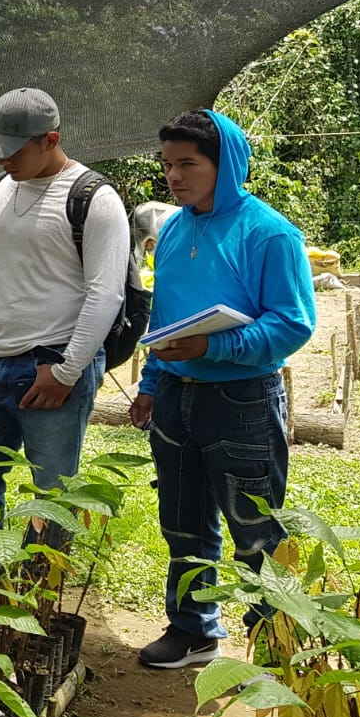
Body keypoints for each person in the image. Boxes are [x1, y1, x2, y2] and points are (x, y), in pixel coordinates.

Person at [129, 111, 315, 670]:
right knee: (182, 520)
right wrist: (151, 384)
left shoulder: (269, 233)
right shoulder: (175, 229)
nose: (174, 177)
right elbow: (166, 318)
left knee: (256, 528)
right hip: (176, 397)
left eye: (188, 164)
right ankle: (193, 629)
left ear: (225, 164)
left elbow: (293, 323)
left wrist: (215, 346)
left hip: (243, 400)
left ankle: (277, 646)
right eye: (168, 164)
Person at [0, 88, 130, 537]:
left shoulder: (93, 197)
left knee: (51, 492)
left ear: (51, 140)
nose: (3, 160)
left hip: (50, 367)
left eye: (15, 151)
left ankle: (40, 579)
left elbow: (105, 293)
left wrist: (67, 371)